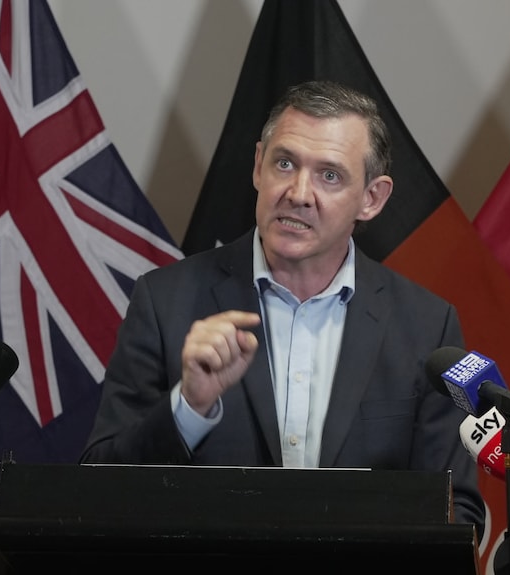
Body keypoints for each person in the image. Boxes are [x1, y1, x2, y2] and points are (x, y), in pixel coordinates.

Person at [79, 79, 485, 535]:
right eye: (285, 163)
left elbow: (456, 515)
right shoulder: (164, 300)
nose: (298, 192)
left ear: (372, 198)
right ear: (258, 167)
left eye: (329, 175)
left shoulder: (427, 326)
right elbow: (97, 488)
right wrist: (189, 407)